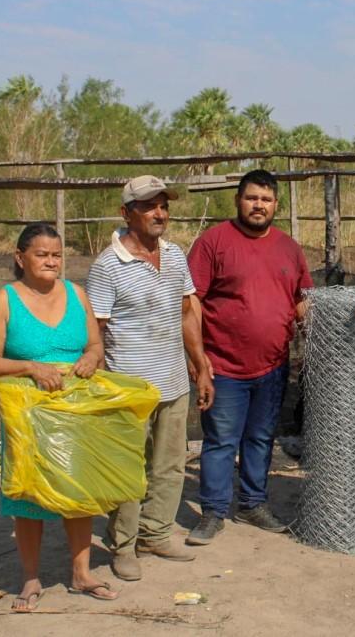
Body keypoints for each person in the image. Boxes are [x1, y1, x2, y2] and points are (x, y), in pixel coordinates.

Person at [0, 223, 118, 611]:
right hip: (26, 417)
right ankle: (30, 578)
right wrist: (30, 367)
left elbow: (95, 344)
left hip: (75, 414)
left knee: (78, 492)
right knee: (27, 495)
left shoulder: (77, 294)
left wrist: (91, 357)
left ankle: (82, 573)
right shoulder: (4, 300)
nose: (51, 262)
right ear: (20, 258)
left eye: (56, 255)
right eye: (42, 254)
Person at [86, 174, 214, 582]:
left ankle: (155, 533)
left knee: (170, 464)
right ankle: (123, 545)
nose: (160, 213)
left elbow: (186, 313)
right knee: (128, 470)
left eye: (164, 206)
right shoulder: (107, 267)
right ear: (126, 213)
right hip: (129, 390)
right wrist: (100, 389)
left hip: (173, 382)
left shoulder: (175, 256)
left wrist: (200, 365)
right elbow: (96, 331)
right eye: (149, 206)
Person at [186, 169, 313, 545]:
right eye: (252, 198)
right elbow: (191, 303)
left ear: (276, 205)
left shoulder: (289, 248)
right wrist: (198, 360)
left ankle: (252, 504)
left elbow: (302, 301)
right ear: (238, 200)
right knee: (221, 440)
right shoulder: (214, 242)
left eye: (266, 199)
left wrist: (318, 340)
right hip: (223, 366)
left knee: (260, 438)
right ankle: (212, 511)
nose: (259, 205)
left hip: (273, 366)